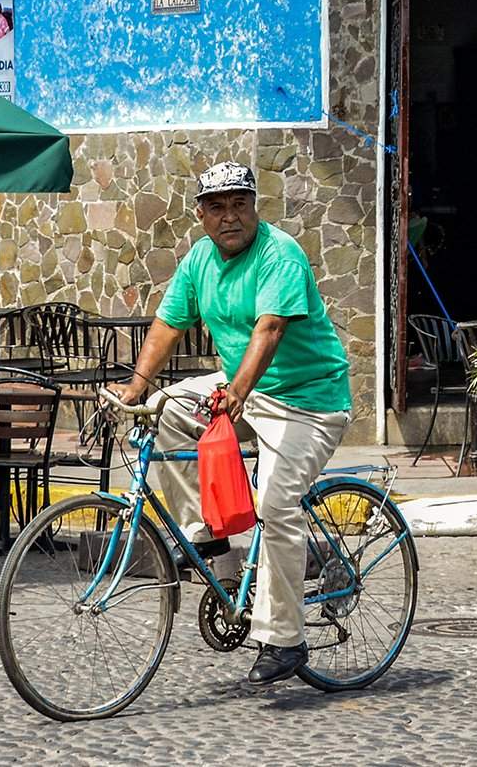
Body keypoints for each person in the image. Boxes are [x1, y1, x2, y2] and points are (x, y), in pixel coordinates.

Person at [112, 160, 352, 686]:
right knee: (166, 409)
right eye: (217, 207)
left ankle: (284, 637)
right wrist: (134, 386)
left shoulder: (279, 254)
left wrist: (235, 393)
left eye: (240, 204)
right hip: (244, 389)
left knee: (275, 503)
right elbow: (168, 324)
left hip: (309, 402)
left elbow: (268, 331)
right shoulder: (200, 258)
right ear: (200, 216)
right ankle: (211, 545)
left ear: (254, 209)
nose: (229, 217)